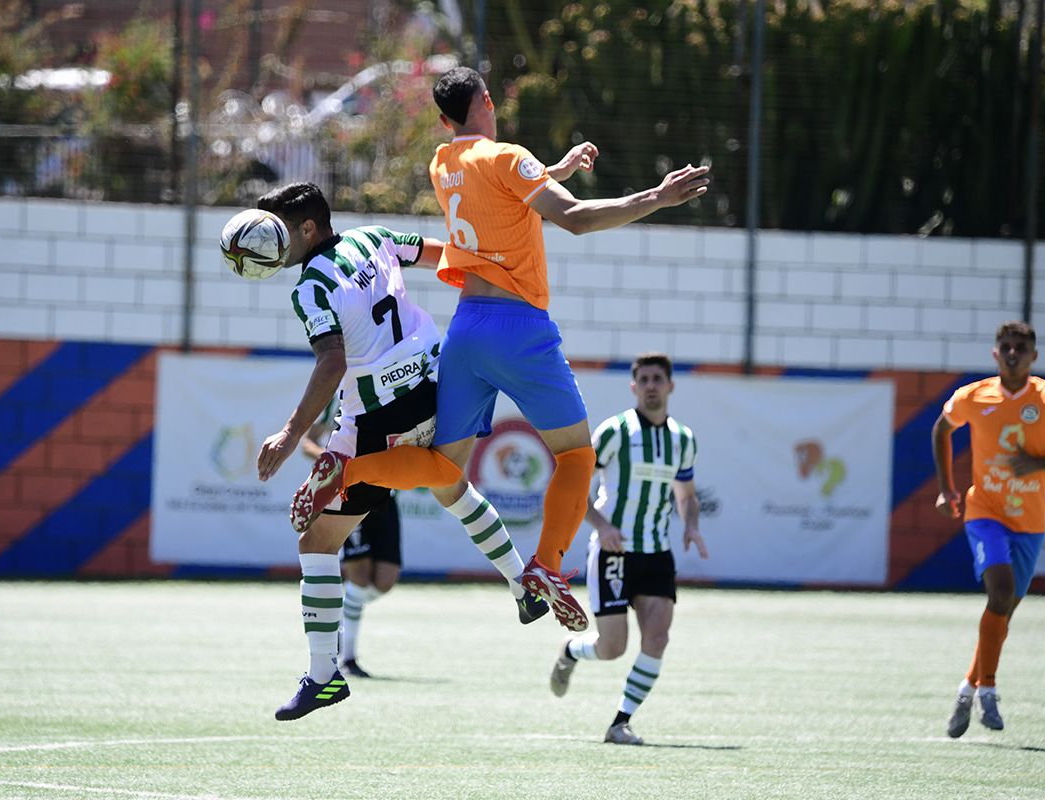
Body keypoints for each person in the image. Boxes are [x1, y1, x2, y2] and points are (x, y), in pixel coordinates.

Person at [290, 66, 712, 634]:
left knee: (444, 469)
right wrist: (656, 198)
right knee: (575, 456)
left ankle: (345, 467)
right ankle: (547, 566)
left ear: (443, 121)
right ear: (488, 100)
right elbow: (577, 219)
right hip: (520, 329)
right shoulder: (510, 157)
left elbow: (497, 202)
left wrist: (551, 171)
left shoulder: (442, 163)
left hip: (466, 329)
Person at [253, 182, 546, 721]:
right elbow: (442, 254)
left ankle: (323, 676)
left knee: (317, 543)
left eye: (279, 232)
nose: (271, 243)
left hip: (377, 415)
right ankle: (521, 582)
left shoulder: (309, 288)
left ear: (309, 230)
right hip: (437, 385)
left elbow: (333, 362)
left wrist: (292, 433)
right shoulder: (374, 238)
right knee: (451, 487)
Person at [933, 321, 1045, 737]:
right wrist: (948, 488)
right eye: (1006, 346)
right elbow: (941, 430)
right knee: (999, 593)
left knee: (1002, 612)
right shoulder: (975, 396)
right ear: (995, 353)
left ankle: (966, 689)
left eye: (1021, 347)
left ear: (1034, 356)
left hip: (1030, 522)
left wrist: (1041, 464)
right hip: (984, 511)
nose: (1013, 353)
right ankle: (988, 689)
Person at [547, 353, 706, 746]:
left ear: (671, 386)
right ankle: (571, 650)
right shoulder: (616, 431)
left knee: (658, 638)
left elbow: (685, 494)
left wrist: (691, 525)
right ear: (634, 387)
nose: (652, 385)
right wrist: (602, 526)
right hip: (613, 554)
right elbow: (573, 481)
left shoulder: (683, 440)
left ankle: (620, 722)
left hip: (656, 554)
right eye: (645, 379)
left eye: (658, 379)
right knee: (612, 647)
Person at [301, 394, 401, 679]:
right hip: (350, 493)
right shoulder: (340, 394)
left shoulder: (395, 386)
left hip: (386, 494)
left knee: (385, 581)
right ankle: (347, 658)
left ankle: (339, 620)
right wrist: (337, 465)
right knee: (358, 575)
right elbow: (308, 442)